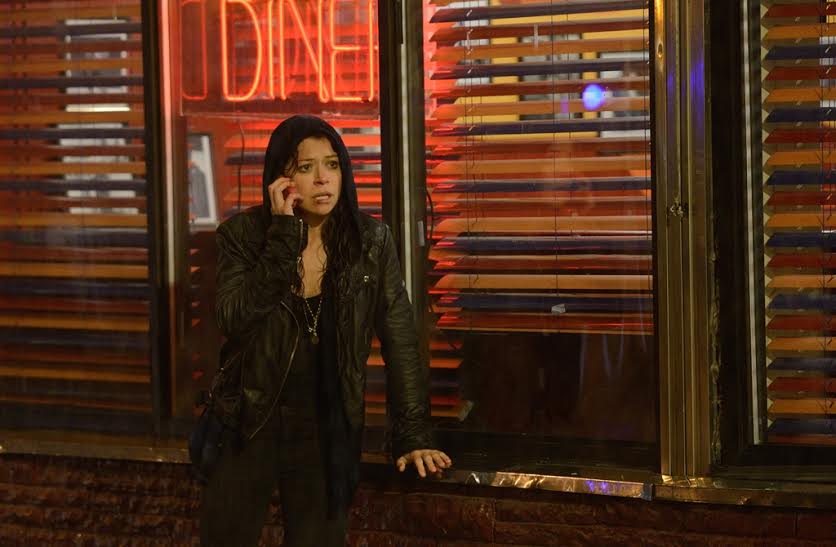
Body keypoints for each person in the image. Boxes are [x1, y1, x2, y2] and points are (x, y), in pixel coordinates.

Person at [199, 115, 452, 546]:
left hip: (324, 427)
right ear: (280, 179)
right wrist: (283, 237)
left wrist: (412, 434)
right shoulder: (242, 236)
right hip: (247, 422)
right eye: (306, 167)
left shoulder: (370, 241)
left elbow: (400, 340)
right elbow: (233, 318)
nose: (322, 179)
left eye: (332, 165)